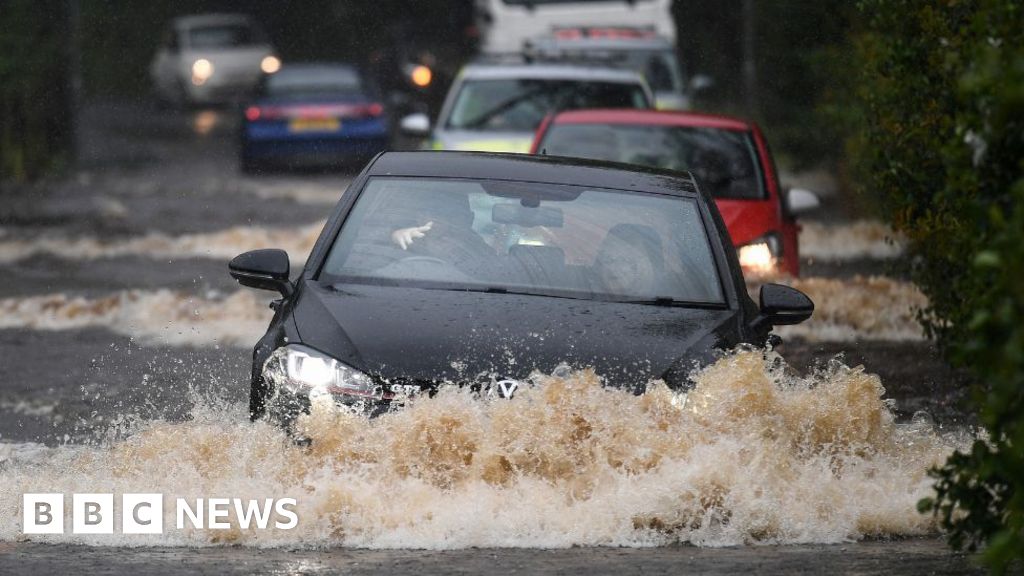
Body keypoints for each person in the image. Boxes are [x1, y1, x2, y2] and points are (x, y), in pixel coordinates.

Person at [592, 224, 663, 296]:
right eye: (609, 260)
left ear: (652, 264)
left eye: (626, 260)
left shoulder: (670, 295)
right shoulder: (583, 289)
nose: (614, 268)